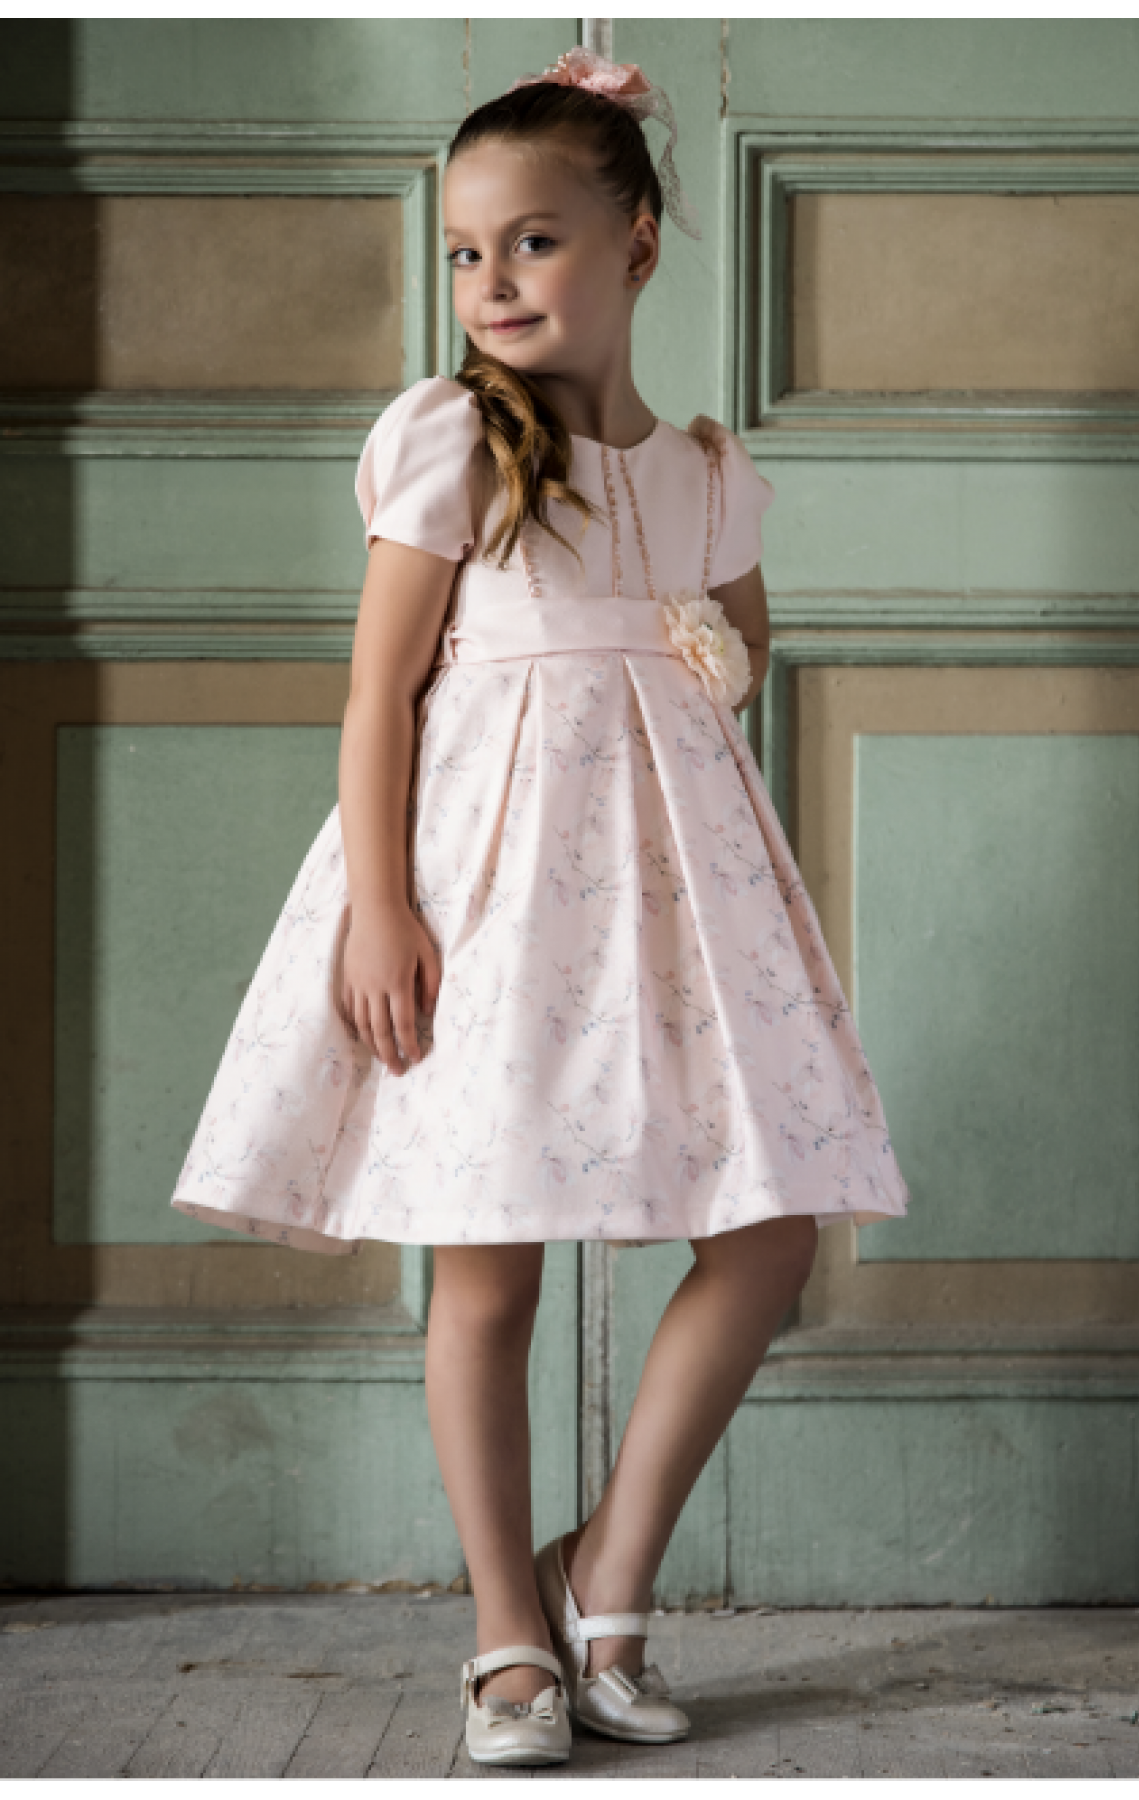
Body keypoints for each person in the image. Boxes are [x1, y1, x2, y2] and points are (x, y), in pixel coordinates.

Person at [171, 46, 909, 1769]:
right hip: (479, 897)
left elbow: (736, 658)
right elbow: (379, 695)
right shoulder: (450, 443)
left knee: (771, 1226)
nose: (493, 280)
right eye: (466, 251)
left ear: (637, 244)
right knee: (485, 1255)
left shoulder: (707, 473)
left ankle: (609, 1574)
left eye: (534, 241)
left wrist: (686, 664)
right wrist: (379, 909)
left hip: (678, 905)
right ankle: (509, 1627)